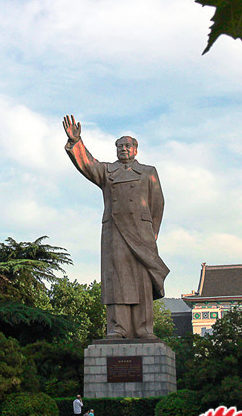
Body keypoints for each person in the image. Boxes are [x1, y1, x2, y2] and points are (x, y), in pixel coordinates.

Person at [63, 116, 170, 339]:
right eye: (119, 146)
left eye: (127, 146)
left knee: (141, 281)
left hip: (141, 235)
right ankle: (117, 328)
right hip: (115, 233)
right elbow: (88, 165)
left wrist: (150, 234)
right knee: (117, 280)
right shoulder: (108, 172)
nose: (123, 149)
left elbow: (157, 205)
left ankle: (143, 328)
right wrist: (76, 142)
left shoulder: (148, 172)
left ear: (136, 150)